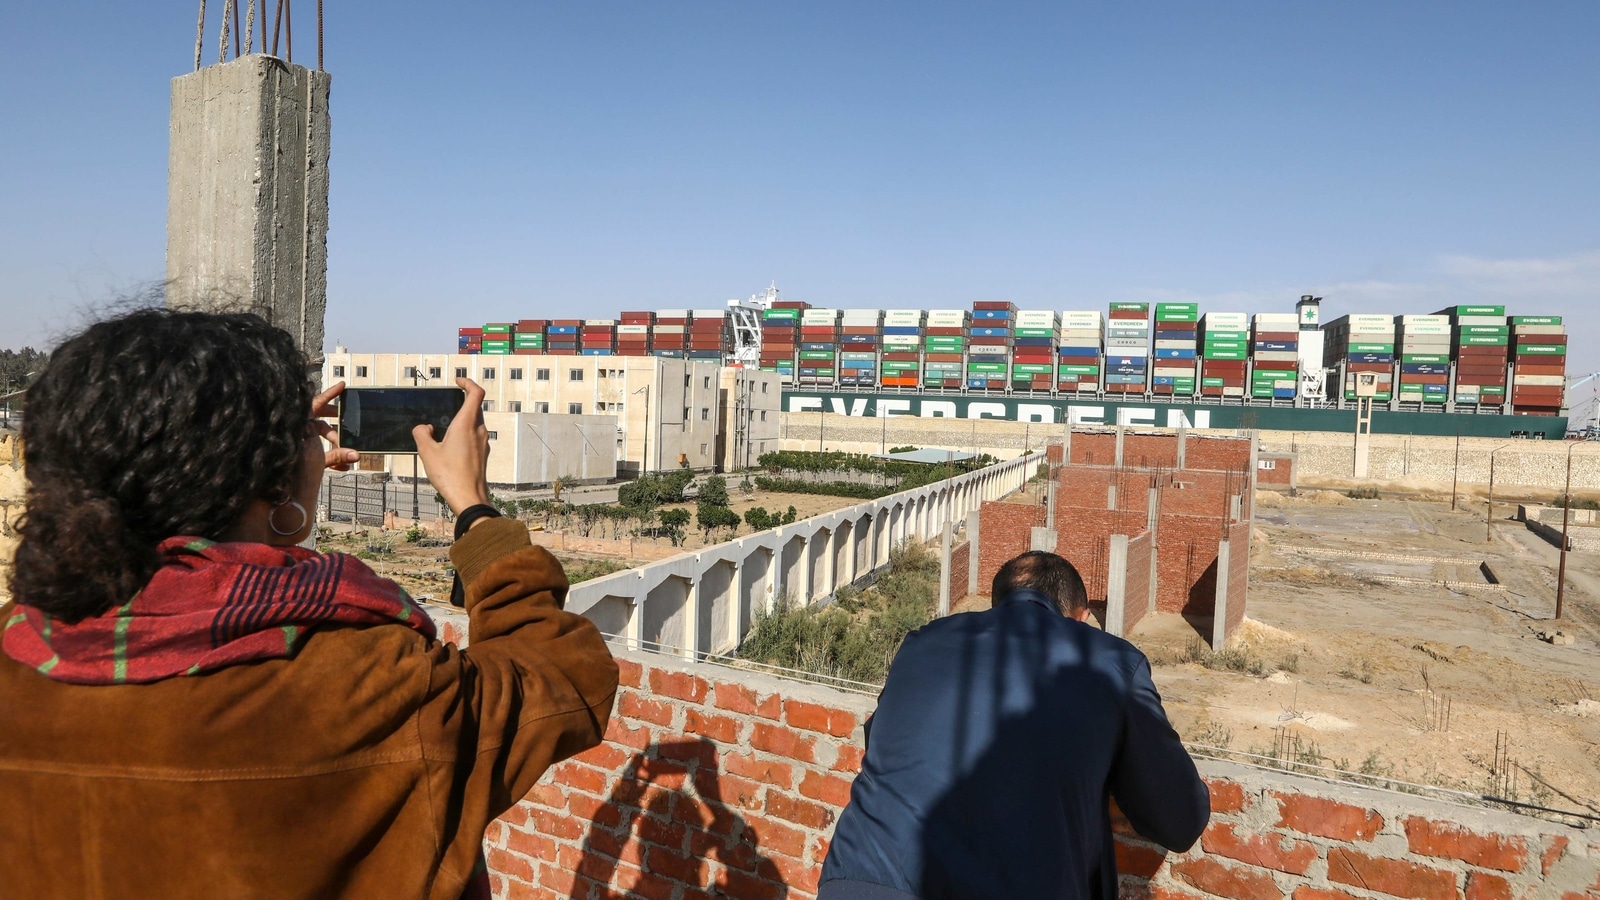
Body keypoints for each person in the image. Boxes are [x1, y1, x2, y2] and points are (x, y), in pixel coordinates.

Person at [0, 309, 619, 899]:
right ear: (268, 479)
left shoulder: (19, 647)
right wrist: (473, 507)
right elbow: (563, 679)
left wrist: (279, 478)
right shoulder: (370, 688)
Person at [819, 551, 1209, 900]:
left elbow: (883, 740)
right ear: (1083, 617)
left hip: (858, 880)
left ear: (997, 604)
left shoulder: (922, 641)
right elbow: (1178, 821)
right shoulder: (1112, 661)